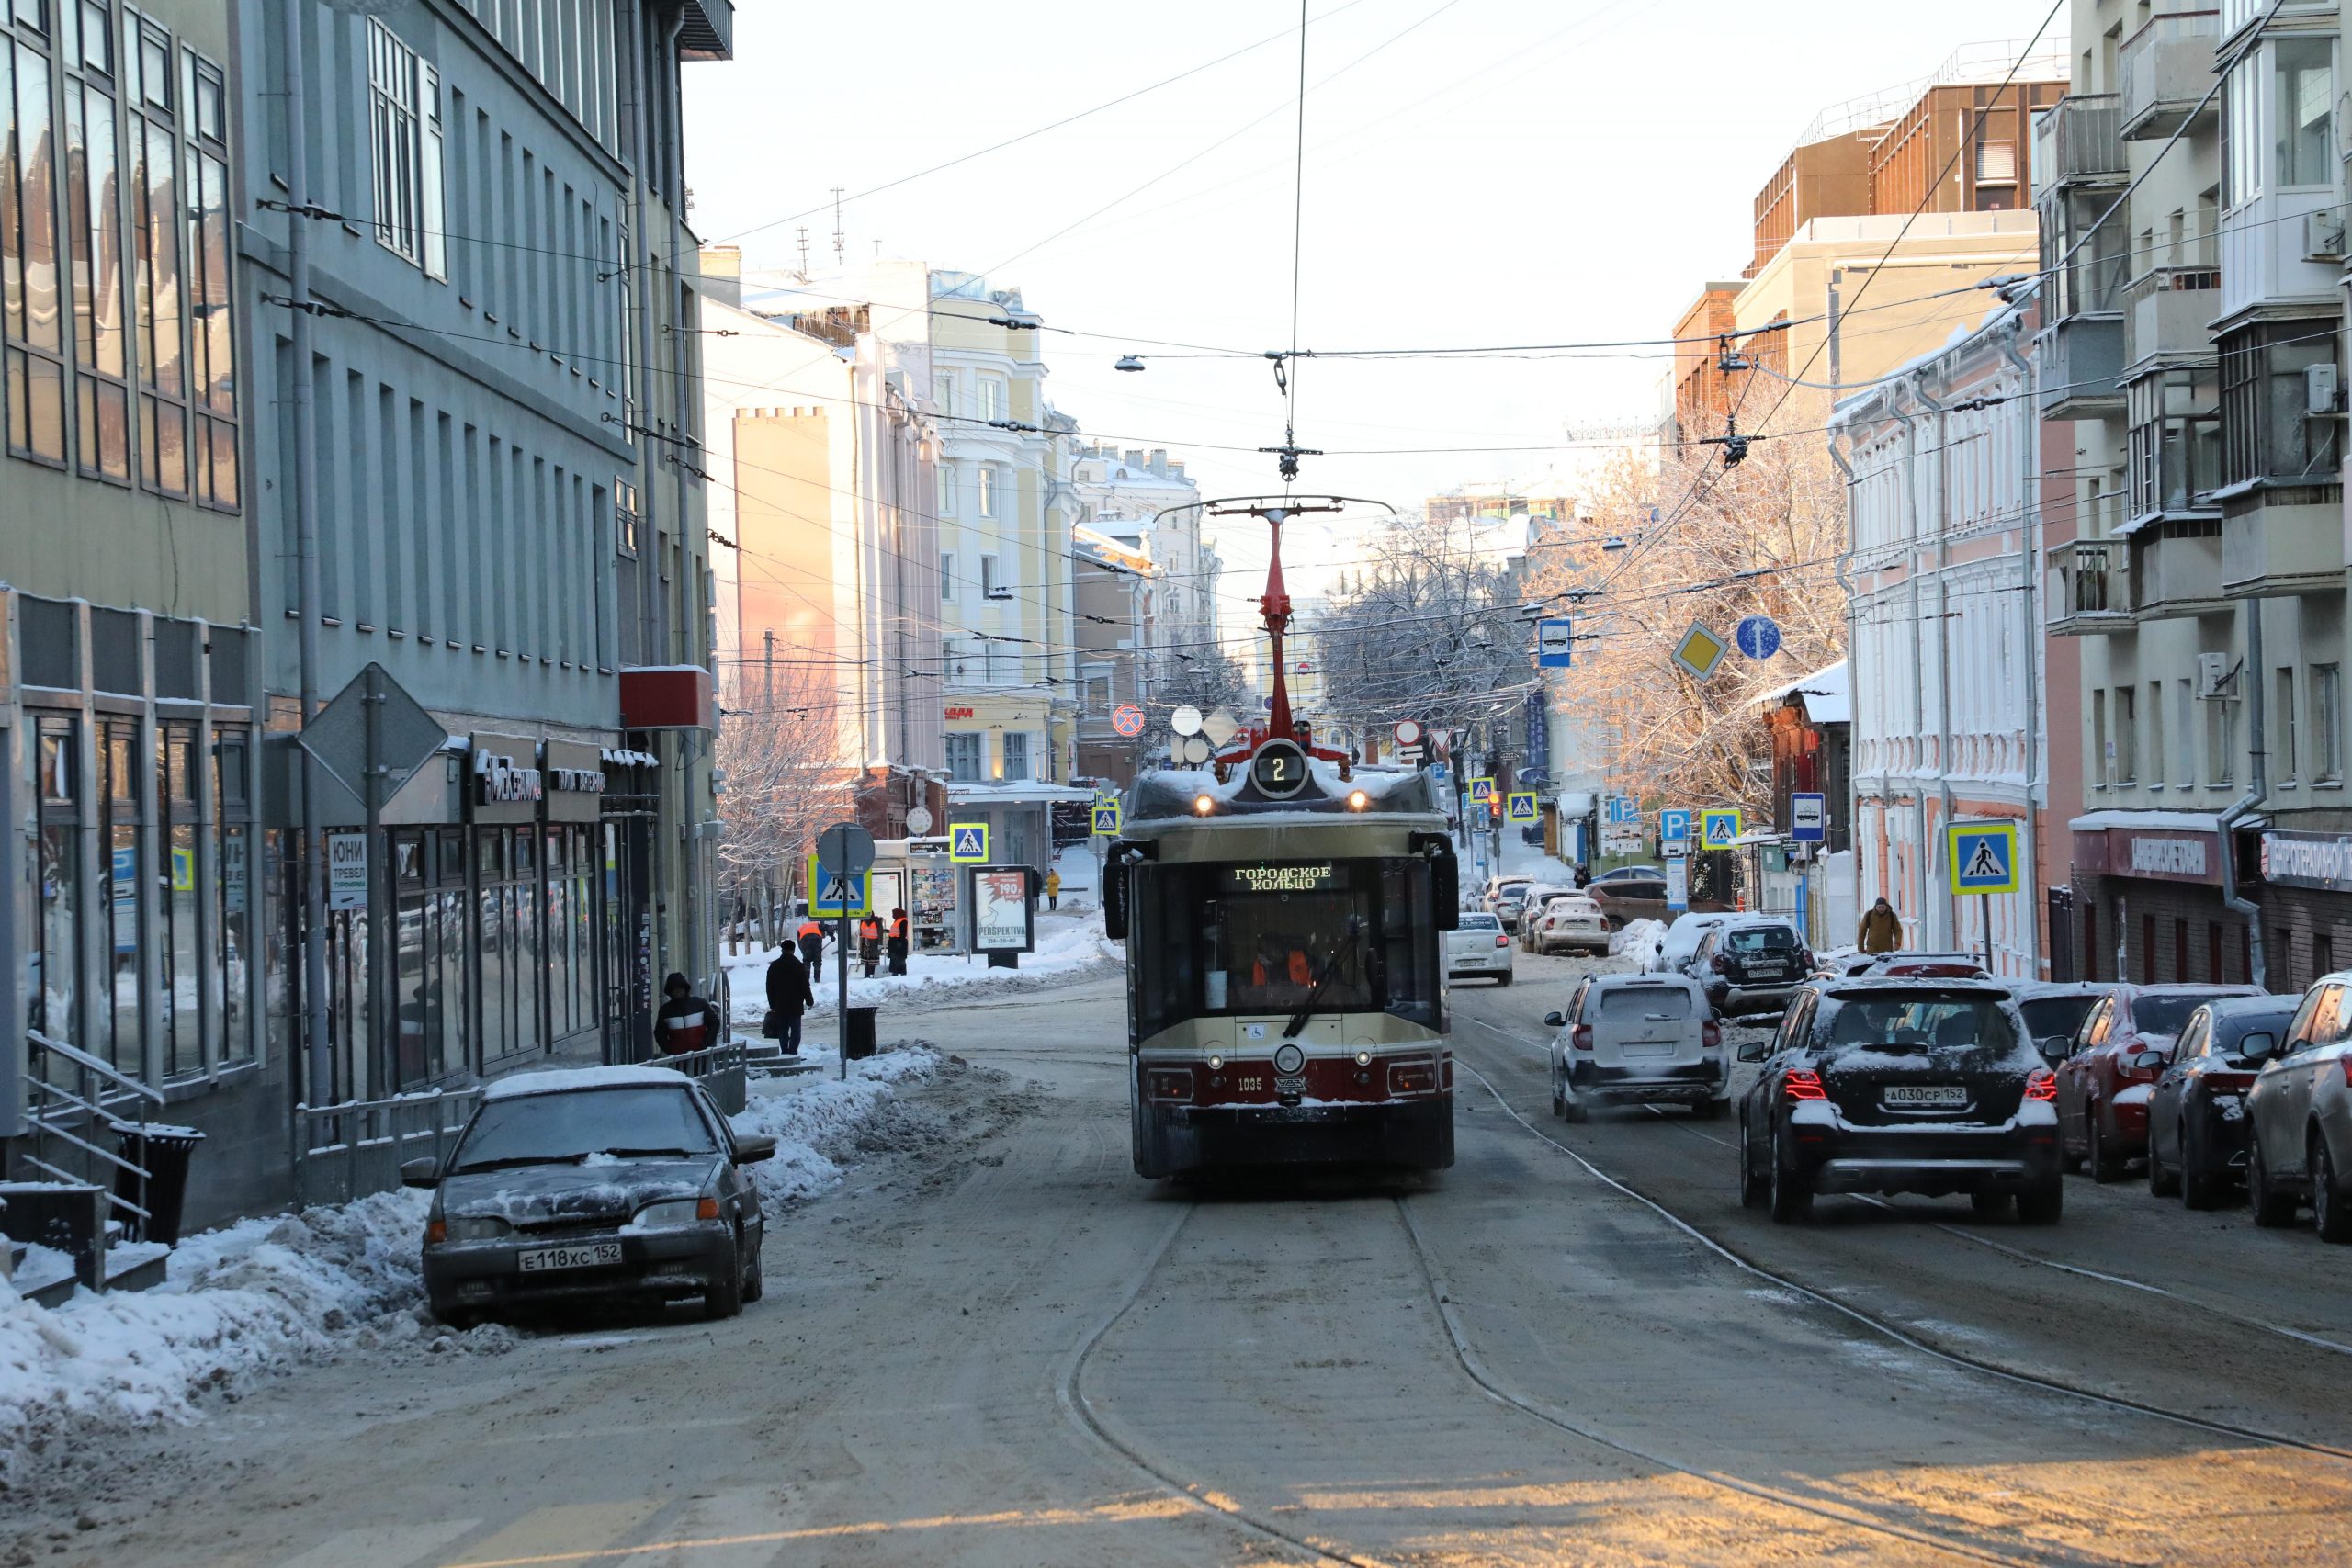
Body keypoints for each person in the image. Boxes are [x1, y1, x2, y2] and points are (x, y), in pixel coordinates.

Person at [654, 972, 723, 1056]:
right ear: (670, 992)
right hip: (678, 1058)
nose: (677, 992)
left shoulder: (700, 1003)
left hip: (701, 1055)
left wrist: (705, 1044)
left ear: (685, 989)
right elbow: (659, 1033)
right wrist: (669, 1049)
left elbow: (714, 1023)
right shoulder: (665, 1010)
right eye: (674, 990)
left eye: (680, 989)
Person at [764, 945, 814, 1056]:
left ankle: (785, 1053)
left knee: (783, 1030)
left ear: (782, 950)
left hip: (779, 1005)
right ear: (793, 950)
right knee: (796, 1031)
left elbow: (769, 986)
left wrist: (772, 1003)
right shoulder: (798, 965)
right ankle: (793, 1053)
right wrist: (809, 1000)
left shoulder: (775, 965)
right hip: (795, 1004)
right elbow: (805, 985)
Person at [887, 908, 910, 976]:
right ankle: (895, 971)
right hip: (895, 942)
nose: (893, 916)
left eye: (893, 914)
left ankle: (901, 972)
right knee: (894, 958)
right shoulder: (897, 921)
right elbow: (895, 931)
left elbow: (903, 932)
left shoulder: (903, 921)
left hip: (899, 942)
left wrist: (899, 942)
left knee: (899, 958)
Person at [858, 914, 883, 978]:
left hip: (874, 944)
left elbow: (880, 934)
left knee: (874, 960)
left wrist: (880, 945)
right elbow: (862, 932)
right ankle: (866, 974)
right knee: (865, 960)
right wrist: (859, 934)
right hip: (865, 943)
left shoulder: (877, 922)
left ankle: (875, 973)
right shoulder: (863, 922)